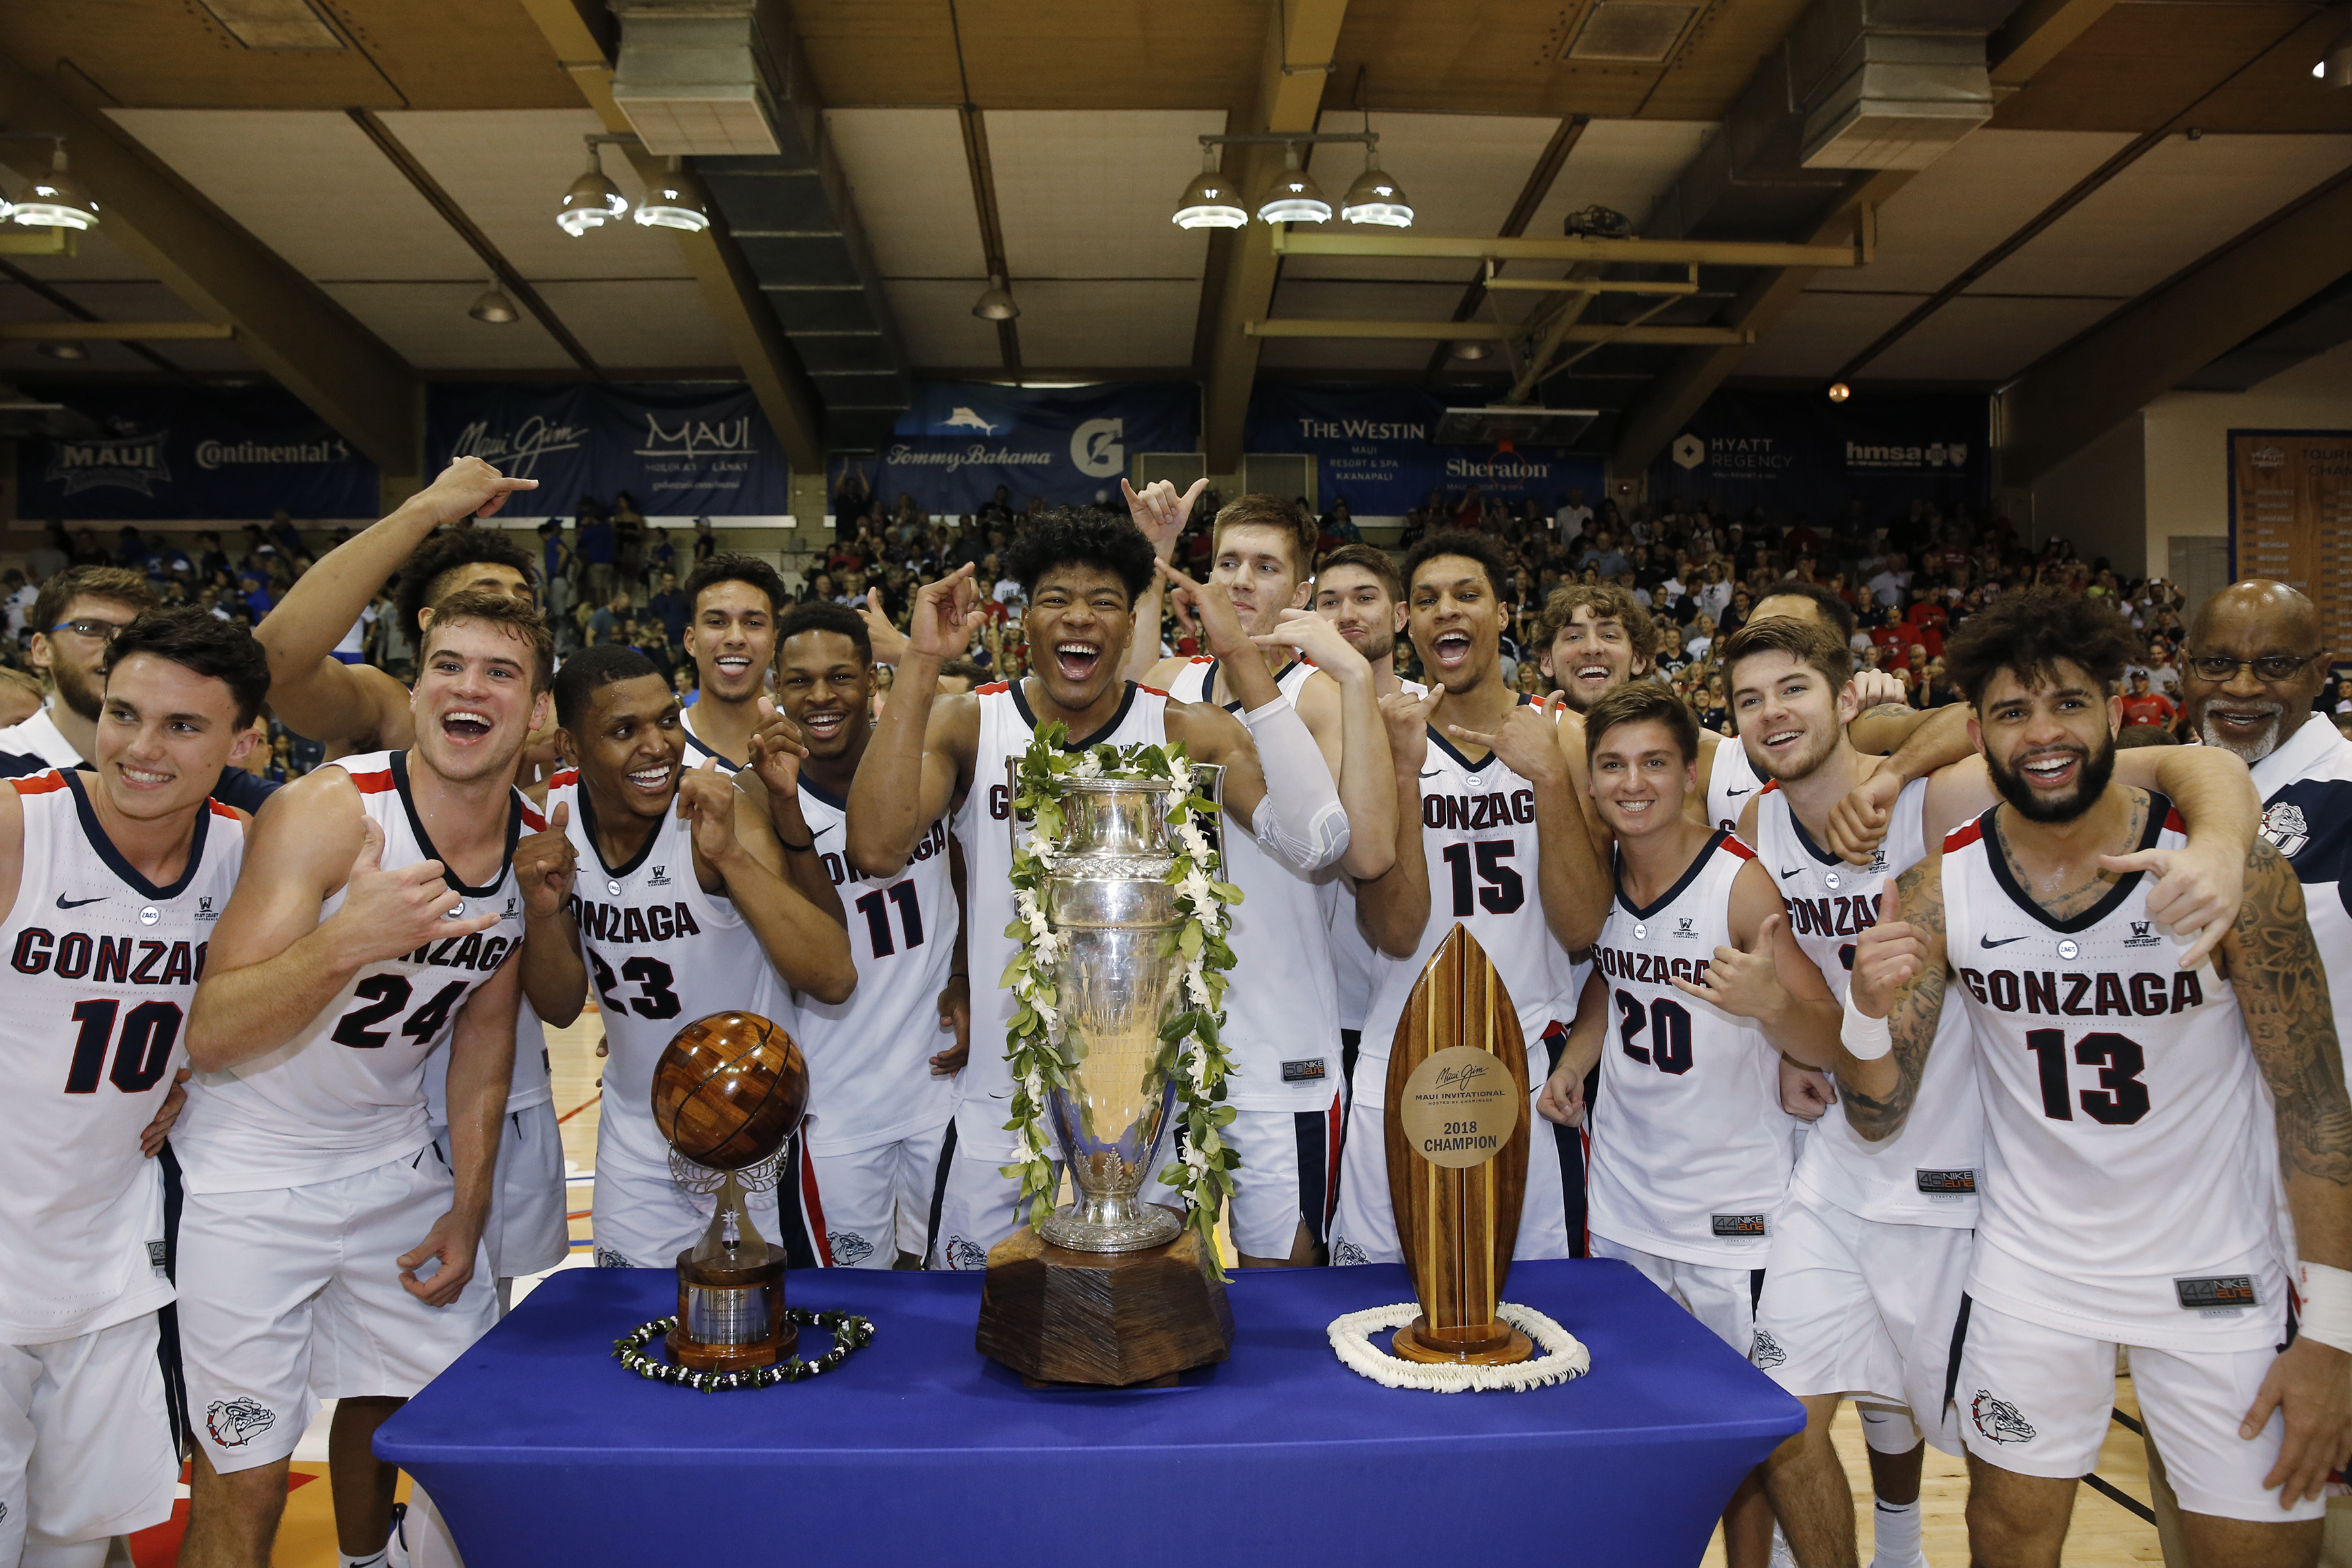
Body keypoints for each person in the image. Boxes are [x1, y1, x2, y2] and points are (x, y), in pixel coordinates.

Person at [1719, 615, 2253, 1568]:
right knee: (1775, 1417)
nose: (1772, 713)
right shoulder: (1761, 822)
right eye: (1750, 700)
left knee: (1990, 1478)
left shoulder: (1944, 795)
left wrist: (2219, 846)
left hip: (1973, 1180)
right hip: (1852, 1147)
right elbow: (1827, 1021)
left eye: (1793, 688)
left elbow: (2183, 764)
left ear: (1848, 698)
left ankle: (1900, 1548)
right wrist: (1781, 1021)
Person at [1839, 587, 2351, 1568]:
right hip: (2034, 1279)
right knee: (2007, 1549)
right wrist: (1866, 1009)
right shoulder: (1941, 889)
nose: (2044, 734)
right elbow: (1878, 1112)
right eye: (2011, 712)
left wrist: (2332, 1337)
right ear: (1977, 739)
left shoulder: (2230, 873)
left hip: (2220, 1280)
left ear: (2118, 712)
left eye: (2068, 703)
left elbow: (2317, 1112)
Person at [845, 511, 1352, 1269]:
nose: (1080, 616)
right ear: (1023, 620)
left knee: (1135, 1324)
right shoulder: (969, 722)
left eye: (1105, 601)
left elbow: (1317, 842)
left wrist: (1240, 653)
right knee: (975, 1318)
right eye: (1056, 599)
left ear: (1130, 626)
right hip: (1001, 1094)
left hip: (1140, 1105)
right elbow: (878, 847)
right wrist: (920, 662)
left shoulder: (1187, 728)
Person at [174, 593, 549, 1568]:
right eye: (448, 665)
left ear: (536, 710)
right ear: (416, 686)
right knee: (244, 1475)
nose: (468, 687)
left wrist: (471, 1207)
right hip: (252, 1173)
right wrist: (351, 939)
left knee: (469, 1442)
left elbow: (484, 1034)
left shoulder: (531, 838)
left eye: (499, 672)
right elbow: (211, 1032)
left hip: (390, 1161)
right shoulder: (332, 810)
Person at [239, 462, 569, 1312]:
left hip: (487, 1077)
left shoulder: (545, 787)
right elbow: (275, 660)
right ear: (426, 646)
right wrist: (423, 510)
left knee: (464, 1335)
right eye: (461, 646)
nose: (478, 677)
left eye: (518, 618)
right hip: (344, 1099)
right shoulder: (386, 719)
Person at [0, 612, 263, 1568]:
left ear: (242, 744)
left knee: (75, 1548)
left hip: (112, 1268)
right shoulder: (18, 828)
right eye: (122, 714)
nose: (139, 749)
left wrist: (190, 1072)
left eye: (182, 727)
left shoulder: (250, 856)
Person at [516, 646, 853, 1272]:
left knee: (770, 1333)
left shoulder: (717, 807)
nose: (657, 746)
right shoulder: (547, 819)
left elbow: (834, 977)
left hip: (753, 1126)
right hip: (636, 1134)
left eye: (667, 720)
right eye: (624, 731)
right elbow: (561, 1008)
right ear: (570, 745)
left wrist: (728, 856)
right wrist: (543, 913)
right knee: (631, 1329)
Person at [1127, 493, 1397, 1268]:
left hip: (1281, 1033)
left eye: (1266, 567)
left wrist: (1351, 678)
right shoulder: (1172, 679)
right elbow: (1123, 678)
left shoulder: (1320, 693)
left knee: (1286, 1268)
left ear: (1302, 595)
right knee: (1153, 1261)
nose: (1241, 581)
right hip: (1165, 1027)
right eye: (1227, 563)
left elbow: (1368, 854)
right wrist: (1158, 551)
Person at [1328, 534, 1609, 1268]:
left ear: (1504, 614)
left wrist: (1549, 780)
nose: (1445, 610)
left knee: (1541, 1306)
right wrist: (1401, 774)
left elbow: (1583, 927)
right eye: (1426, 600)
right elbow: (1395, 929)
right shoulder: (1379, 739)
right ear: (1405, 623)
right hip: (1400, 1053)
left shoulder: (1566, 738)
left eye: (1467, 594)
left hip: (1530, 1057)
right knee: (1376, 1308)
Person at [769, 603, 964, 1267]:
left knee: (956, 1292)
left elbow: (968, 868)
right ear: (776, 690)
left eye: (841, 677)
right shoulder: (762, 801)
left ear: (872, 682)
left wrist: (963, 972)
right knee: (851, 1304)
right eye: (800, 681)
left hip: (942, 1085)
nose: (821, 696)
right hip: (834, 1103)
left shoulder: (926, 764)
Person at [1312, 544, 1425, 1092]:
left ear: (1400, 616)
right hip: (1324, 1009)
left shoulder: (1437, 714)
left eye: (1364, 598)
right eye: (1329, 602)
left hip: (1420, 994)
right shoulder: (1288, 718)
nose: (1346, 614)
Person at [2119, 668, 2178, 732]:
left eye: (2141, 681)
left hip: (2153, 736)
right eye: (2135, 681)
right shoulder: (2123, 701)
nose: (2137, 684)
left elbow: (2174, 716)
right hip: (2133, 736)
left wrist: (2167, 732)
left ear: (2148, 682)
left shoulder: (2159, 700)